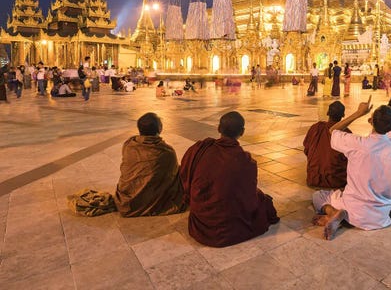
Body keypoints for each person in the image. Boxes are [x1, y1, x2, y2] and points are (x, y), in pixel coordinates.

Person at [312, 97, 391, 240]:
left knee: (319, 196)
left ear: (371, 121)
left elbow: (332, 130)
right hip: (380, 216)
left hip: (351, 209)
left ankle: (333, 212)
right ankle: (337, 213)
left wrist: (359, 113)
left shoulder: (356, 143)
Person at [180, 111, 279, 247]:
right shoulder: (246, 161)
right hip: (231, 225)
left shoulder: (201, 148)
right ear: (242, 132)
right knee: (264, 201)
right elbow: (248, 199)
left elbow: (185, 172)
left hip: (202, 221)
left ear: (219, 129)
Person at [114, 112, 186, 217]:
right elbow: (172, 175)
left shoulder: (129, 144)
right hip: (153, 199)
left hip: (127, 199)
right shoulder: (166, 151)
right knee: (181, 173)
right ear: (159, 129)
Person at [303, 101, 350, 189]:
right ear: (343, 115)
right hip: (336, 180)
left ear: (328, 113)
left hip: (313, 177)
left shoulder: (316, 127)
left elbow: (306, 149)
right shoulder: (346, 133)